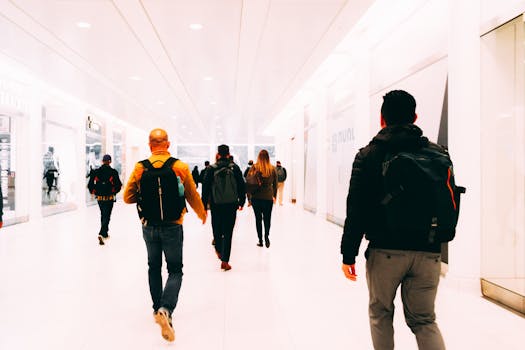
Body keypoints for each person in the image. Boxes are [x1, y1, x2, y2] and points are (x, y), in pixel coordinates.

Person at [340, 90, 448, 350]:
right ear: (415, 117)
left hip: (385, 250)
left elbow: (356, 208)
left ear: (381, 119)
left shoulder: (368, 155)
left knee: (381, 314)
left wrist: (348, 254)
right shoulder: (437, 153)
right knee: (424, 320)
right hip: (429, 251)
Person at [123, 128, 207, 343]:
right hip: (173, 225)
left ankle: (155, 310)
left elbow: (127, 197)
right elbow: (191, 193)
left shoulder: (141, 167)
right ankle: (166, 309)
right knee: (175, 269)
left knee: (153, 267)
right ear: (167, 144)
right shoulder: (179, 166)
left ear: (150, 145)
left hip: (149, 225)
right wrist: (201, 212)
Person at [201, 144, 246, 271]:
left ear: (218, 154)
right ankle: (225, 261)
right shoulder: (234, 168)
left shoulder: (211, 169)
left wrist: (204, 206)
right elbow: (242, 185)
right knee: (228, 232)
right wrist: (241, 201)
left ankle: (219, 250)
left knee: (217, 228)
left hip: (216, 204)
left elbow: (205, 188)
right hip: (231, 204)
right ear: (228, 154)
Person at [87, 154, 122, 245]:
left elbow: (90, 185)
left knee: (103, 214)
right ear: (110, 161)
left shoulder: (96, 172)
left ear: (102, 161)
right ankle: (102, 233)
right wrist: (113, 191)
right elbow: (119, 185)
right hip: (109, 198)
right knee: (107, 215)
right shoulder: (113, 172)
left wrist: (94, 192)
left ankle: (105, 233)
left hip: (100, 198)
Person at [248, 149, 277, 248]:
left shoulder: (254, 167)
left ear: (258, 157)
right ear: (268, 157)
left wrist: (249, 198)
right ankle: (267, 236)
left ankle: (260, 240)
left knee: (258, 219)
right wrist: (274, 196)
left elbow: (249, 182)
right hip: (268, 198)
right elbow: (275, 185)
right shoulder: (272, 168)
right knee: (267, 219)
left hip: (256, 198)